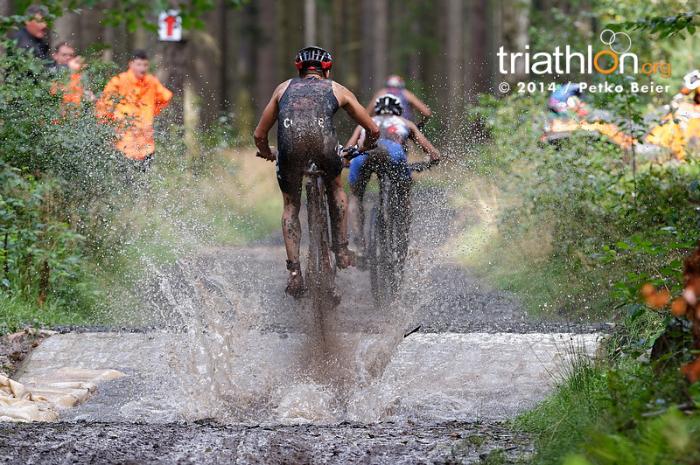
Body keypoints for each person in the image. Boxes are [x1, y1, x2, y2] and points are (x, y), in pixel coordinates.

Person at [253, 46, 380, 298]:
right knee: (335, 187)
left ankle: (294, 273)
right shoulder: (336, 88)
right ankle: (342, 251)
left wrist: (268, 152)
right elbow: (373, 129)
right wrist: (362, 147)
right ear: (327, 69)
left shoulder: (282, 88)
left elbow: (259, 134)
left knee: (291, 205)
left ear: (299, 70)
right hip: (324, 144)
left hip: (289, 146)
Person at [346, 94, 440, 261]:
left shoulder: (365, 123)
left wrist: (345, 163)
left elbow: (347, 151)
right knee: (404, 193)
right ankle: (402, 238)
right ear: (398, 111)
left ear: (376, 110)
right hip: (394, 154)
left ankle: (360, 243)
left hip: (364, 154)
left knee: (355, 196)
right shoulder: (405, 123)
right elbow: (432, 152)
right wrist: (431, 161)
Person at [96, 50, 173, 172]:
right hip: (123, 141)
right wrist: (108, 127)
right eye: (139, 64)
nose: (142, 68)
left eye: (145, 65)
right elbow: (104, 105)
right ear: (130, 64)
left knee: (143, 182)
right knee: (125, 181)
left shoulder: (151, 81)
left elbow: (165, 98)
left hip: (146, 142)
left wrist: (152, 112)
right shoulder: (119, 81)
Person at [365, 75, 432, 127]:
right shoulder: (406, 94)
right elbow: (426, 113)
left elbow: (366, 114)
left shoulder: (381, 93)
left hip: (382, 128)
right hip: (404, 126)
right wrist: (420, 125)